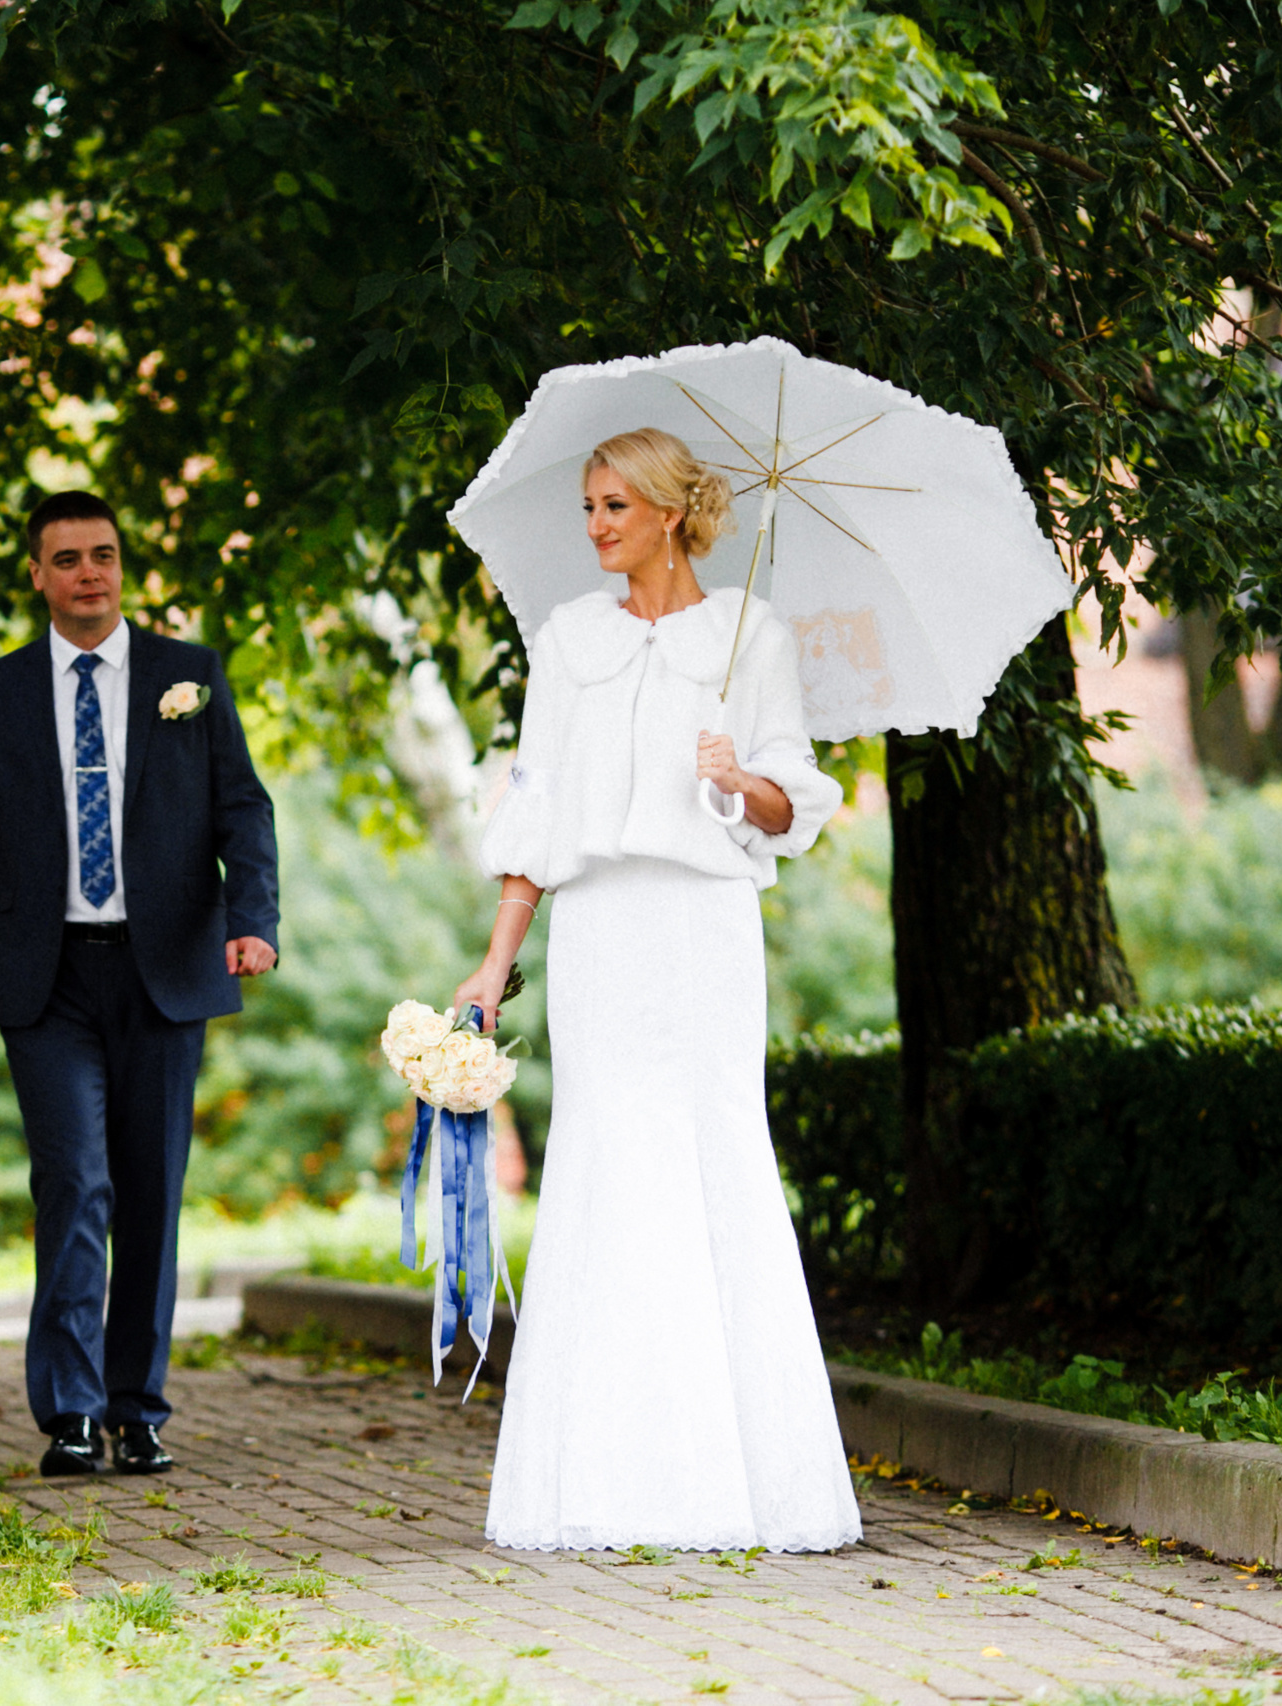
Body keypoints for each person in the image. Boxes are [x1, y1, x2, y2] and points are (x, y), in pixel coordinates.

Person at [450, 427, 860, 1553]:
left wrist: (741, 778)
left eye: (615, 506)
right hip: (600, 935)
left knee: (711, 1153)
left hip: (703, 929)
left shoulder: (749, 634)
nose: (595, 526)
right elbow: (537, 808)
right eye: (588, 507)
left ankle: (739, 1483)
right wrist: (494, 961)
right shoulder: (566, 640)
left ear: (671, 513)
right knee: (605, 1159)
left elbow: (792, 801)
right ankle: (600, 1479)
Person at [0, 490, 280, 1477]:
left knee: (150, 1194)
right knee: (76, 1183)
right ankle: (73, 1411)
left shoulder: (189, 675)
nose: (89, 572)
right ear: (37, 575)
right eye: (68, 558)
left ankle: (137, 1408)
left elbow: (243, 809)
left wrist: (253, 920)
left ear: (121, 565)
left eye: (104, 554)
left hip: (163, 969)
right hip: (44, 979)